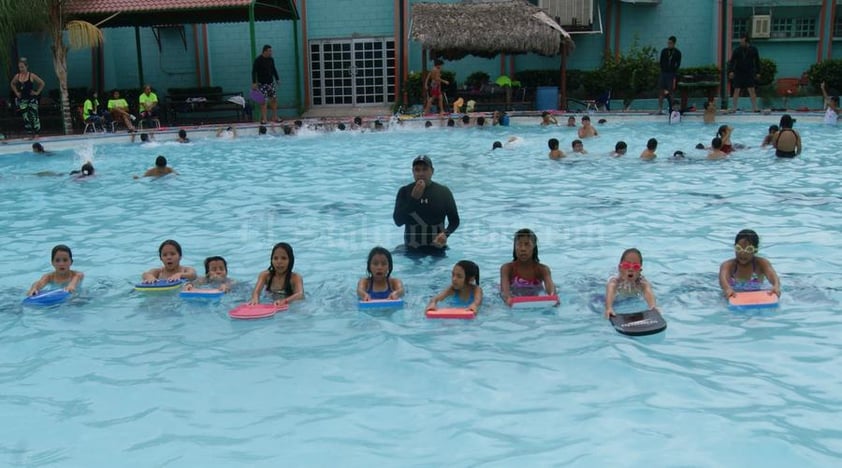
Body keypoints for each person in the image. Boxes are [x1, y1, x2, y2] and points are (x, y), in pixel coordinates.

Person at [393, 155, 459, 255]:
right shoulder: (405, 191)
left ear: (432, 171)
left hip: (437, 248)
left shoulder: (443, 192)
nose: (421, 173)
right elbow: (398, 221)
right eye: (417, 170)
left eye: (425, 169)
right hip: (411, 249)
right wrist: (413, 199)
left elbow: (455, 221)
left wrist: (445, 234)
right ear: (413, 172)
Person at [718, 229, 781, 298]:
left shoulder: (761, 264)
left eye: (749, 249)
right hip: (734, 295)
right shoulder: (728, 265)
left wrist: (776, 286)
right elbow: (722, 279)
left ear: (755, 250)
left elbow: (772, 276)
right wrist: (727, 289)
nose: (743, 253)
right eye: (739, 249)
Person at [499, 229, 556, 304]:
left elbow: (551, 292)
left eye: (527, 244)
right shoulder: (507, 269)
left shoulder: (542, 270)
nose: (523, 249)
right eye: (519, 244)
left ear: (534, 247)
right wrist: (508, 299)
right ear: (514, 247)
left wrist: (553, 298)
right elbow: (505, 294)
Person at [604, 248, 657, 318]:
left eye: (635, 267)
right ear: (620, 268)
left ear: (640, 271)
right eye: (626, 266)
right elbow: (610, 289)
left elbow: (647, 291)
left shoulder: (642, 283)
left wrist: (653, 307)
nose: (631, 269)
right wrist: (609, 308)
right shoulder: (614, 282)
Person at [248, 242, 304, 306]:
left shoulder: (295, 278)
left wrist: (285, 301)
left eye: (284, 258)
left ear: (290, 260)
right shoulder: (265, 275)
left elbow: (300, 295)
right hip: (269, 299)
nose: (279, 262)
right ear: (271, 260)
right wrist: (255, 298)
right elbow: (256, 292)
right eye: (275, 258)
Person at [10, 58, 45, 136]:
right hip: (22, 99)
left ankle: (37, 133)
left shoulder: (31, 75)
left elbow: (42, 83)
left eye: (22, 67)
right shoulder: (17, 76)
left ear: (26, 66)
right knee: (25, 116)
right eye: (19, 67)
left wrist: (37, 92)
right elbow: (12, 84)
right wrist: (16, 92)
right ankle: (29, 133)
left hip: (31, 98)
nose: (21, 69)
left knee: (34, 115)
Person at [728, 35, 761, 113]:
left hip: (749, 72)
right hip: (739, 72)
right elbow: (732, 61)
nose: (741, 43)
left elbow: (757, 61)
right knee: (736, 90)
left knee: (751, 90)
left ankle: (755, 107)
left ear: (747, 42)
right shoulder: (737, 50)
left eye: (742, 42)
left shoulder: (753, 50)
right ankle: (734, 107)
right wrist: (731, 71)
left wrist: (758, 72)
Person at [252, 44, 281, 124]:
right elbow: (254, 72)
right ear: (264, 51)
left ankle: (274, 116)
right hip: (262, 84)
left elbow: (274, 69)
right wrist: (254, 82)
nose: (271, 52)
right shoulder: (258, 60)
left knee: (274, 99)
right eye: (269, 51)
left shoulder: (271, 59)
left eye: (271, 51)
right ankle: (264, 118)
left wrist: (277, 79)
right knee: (263, 101)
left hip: (270, 83)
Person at [657, 36, 682, 114]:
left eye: (670, 43)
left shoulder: (678, 53)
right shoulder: (664, 51)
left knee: (671, 92)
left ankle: (673, 109)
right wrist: (663, 69)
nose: (669, 44)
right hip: (663, 73)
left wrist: (673, 71)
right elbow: (661, 61)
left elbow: (678, 64)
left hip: (671, 74)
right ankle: (660, 109)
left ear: (674, 43)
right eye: (668, 43)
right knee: (661, 92)